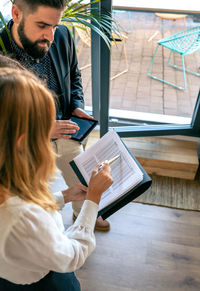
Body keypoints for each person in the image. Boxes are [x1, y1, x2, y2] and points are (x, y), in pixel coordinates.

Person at [0, 0, 110, 231]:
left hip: (67, 131)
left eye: (54, 25)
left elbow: (74, 77)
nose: (50, 35)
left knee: (81, 181)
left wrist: (76, 106)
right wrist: (40, 129)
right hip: (22, 147)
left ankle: (85, 214)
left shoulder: (61, 35)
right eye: (42, 25)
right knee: (31, 200)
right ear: (17, 13)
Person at [0, 67, 113, 290]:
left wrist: (64, 196)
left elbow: (25, 208)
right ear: (23, 141)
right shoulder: (23, 219)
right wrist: (92, 200)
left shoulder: (10, 186)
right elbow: (71, 255)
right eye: (46, 130)